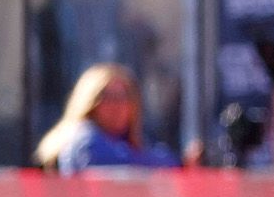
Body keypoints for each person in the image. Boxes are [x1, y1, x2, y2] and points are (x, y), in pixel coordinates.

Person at [34, 63, 177, 173]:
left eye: (125, 97)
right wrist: (175, 163)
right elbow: (127, 166)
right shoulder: (85, 140)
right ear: (89, 103)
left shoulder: (125, 141)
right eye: (108, 97)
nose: (118, 106)